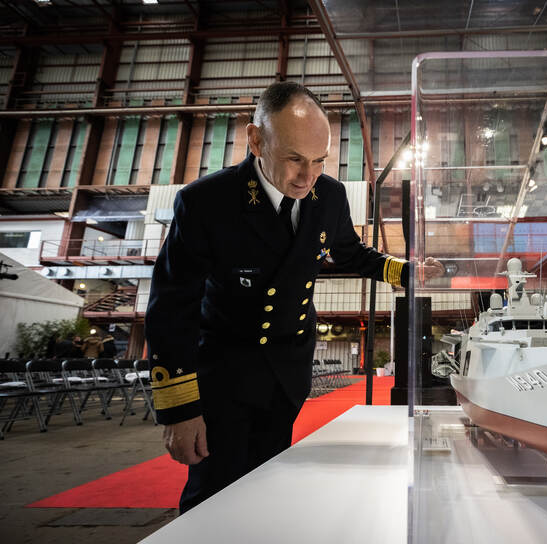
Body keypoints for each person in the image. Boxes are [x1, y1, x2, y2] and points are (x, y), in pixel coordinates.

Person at [145, 81, 442, 513]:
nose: (308, 177)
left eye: (320, 160)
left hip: (288, 369)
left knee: (270, 482)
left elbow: (350, 253)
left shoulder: (330, 196)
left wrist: (406, 271)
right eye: (295, 159)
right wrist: (179, 410)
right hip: (226, 373)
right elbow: (172, 305)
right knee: (215, 493)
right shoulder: (207, 202)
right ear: (256, 140)